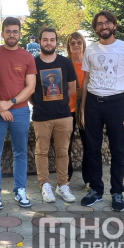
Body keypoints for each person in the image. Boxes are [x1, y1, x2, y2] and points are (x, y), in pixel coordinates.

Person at [80, 11, 124, 211]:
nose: (103, 26)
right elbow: (86, 80)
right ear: (95, 28)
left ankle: (117, 192)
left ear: (114, 25)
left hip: (116, 103)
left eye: (107, 23)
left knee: (118, 150)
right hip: (93, 102)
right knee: (92, 148)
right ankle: (96, 189)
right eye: (99, 24)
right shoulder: (90, 50)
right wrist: (83, 109)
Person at [0, 17, 36, 210]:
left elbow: (30, 87)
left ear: (20, 34)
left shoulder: (27, 57)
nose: (12, 34)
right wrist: (0, 106)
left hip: (20, 111)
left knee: (20, 152)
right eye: (8, 31)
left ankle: (20, 189)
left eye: (15, 31)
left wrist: (11, 103)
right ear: (2, 33)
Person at [30, 28, 77, 203]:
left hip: (64, 115)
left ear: (56, 42)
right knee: (41, 152)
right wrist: (39, 104)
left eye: (52, 39)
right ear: (40, 41)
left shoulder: (65, 62)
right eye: (45, 39)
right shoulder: (33, 63)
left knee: (63, 152)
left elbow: (72, 89)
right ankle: (45, 184)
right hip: (41, 116)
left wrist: (61, 102)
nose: (48, 43)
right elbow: (30, 90)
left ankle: (62, 185)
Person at [66, 32, 89, 187]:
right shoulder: (65, 63)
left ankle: (88, 179)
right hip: (67, 109)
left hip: (85, 109)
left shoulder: (89, 64)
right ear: (68, 46)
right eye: (72, 43)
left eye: (79, 42)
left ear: (83, 45)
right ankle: (66, 177)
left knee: (88, 144)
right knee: (65, 145)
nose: (76, 45)